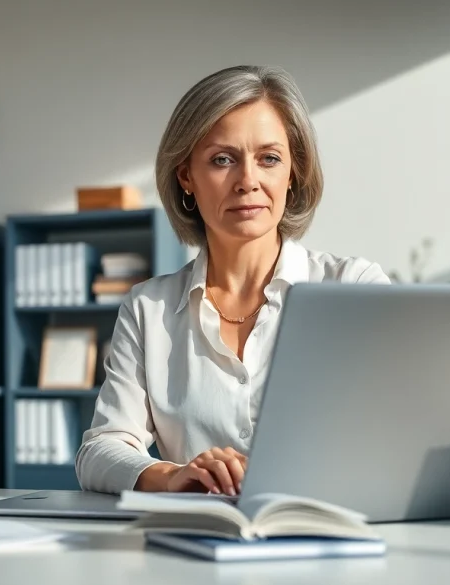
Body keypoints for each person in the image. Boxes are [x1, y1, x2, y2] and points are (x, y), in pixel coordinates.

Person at [74, 65, 391, 496]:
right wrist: (172, 475)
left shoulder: (355, 288)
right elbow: (100, 449)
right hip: (196, 550)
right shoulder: (149, 309)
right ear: (186, 176)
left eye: (269, 159)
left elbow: (400, 431)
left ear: (293, 172)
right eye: (222, 159)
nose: (248, 181)